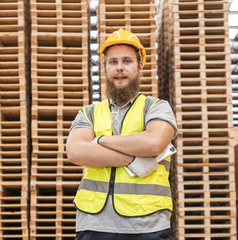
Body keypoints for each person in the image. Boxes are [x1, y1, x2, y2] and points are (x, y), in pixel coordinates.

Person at [66, 28, 178, 240]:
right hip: (94, 223)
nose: (119, 68)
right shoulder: (89, 113)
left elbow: (154, 143)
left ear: (140, 66)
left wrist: (100, 141)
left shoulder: (156, 108)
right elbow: (75, 151)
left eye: (127, 61)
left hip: (147, 223)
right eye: (113, 62)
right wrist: (134, 158)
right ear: (105, 67)